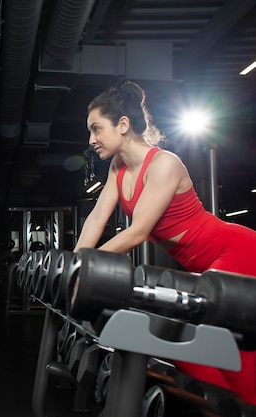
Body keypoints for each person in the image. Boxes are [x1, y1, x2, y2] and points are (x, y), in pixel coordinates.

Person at [74, 80, 256, 404]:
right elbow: (97, 218)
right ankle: (226, 403)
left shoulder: (164, 164)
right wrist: (75, 261)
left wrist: (81, 269)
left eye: (97, 129)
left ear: (123, 125)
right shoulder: (118, 168)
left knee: (216, 341)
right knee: (185, 344)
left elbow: (137, 232)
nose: (92, 140)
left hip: (234, 251)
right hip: (205, 265)